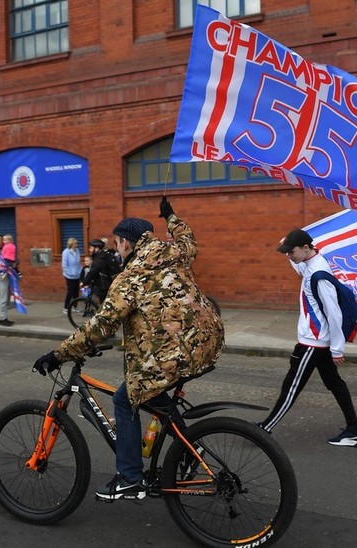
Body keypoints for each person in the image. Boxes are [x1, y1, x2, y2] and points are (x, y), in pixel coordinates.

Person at [33, 197, 224, 501]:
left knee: (125, 400)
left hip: (172, 352)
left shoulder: (131, 276)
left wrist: (58, 355)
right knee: (154, 394)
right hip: (205, 343)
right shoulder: (175, 252)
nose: (116, 248)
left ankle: (130, 478)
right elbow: (189, 239)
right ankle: (191, 448)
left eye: (117, 243)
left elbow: (101, 325)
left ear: (125, 242)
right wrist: (171, 216)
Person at [257, 228, 357, 448]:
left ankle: (264, 429)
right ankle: (354, 431)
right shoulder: (310, 263)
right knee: (335, 384)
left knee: (291, 386)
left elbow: (334, 314)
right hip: (317, 341)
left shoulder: (319, 275)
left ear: (306, 248)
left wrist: (337, 349)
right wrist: (288, 247)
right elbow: (299, 266)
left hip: (314, 343)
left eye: (291, 252)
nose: (289, 256)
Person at [81, 238, 116, 306]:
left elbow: (92, 272)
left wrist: (84, 282)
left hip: (103, 285)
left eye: (91, 248)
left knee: (103, 304)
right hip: (107, 283)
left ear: (96, 248)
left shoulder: (98, 260)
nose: (89, 250)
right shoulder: (104, 256)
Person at [62, 237, 82, 314]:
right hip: (69, 276)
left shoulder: (77, 251)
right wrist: (71, 273)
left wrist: (80, 272)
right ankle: (66, 307)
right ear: (70, 244)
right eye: (75, 244)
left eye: (76, 244)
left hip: (77, 275)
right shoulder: (66, 252)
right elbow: (64, 266)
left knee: (76, 292)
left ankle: (75, 307)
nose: (76, 245)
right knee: (70, 291)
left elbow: (79, 263)